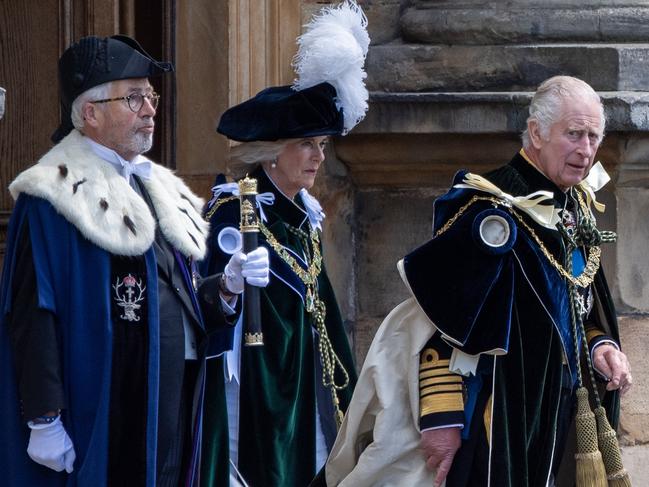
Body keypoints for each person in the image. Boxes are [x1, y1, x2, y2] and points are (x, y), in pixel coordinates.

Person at [325, 76, 632, 487]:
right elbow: (439, 323)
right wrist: (441, 417)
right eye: (574, 134)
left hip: (563, 408)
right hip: (498, 413)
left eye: (594, 136)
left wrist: (601, 344)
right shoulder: (490, 211)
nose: (586, 150)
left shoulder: (575, 205)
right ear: (537, 132)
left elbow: (578, 305)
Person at [0, 35, 268, 486]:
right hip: (106, 401)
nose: (150, 109)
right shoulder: (51, 193)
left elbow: (172, 293)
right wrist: (43, 417)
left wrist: (226, 287)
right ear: (91, 114)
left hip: (171, 388)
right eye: (134, 97)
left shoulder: (153, 186)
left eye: (151, 96)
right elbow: (33, 311)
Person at [199, 3, 369, 485]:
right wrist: (227, 285)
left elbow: (319, 305)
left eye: (321, 145)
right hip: (255, 391)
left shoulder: (304, 216)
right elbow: (208, 305)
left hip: (302, 386)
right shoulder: (234, 211)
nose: (319, 157)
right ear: (274, 152)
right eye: (307, 145)